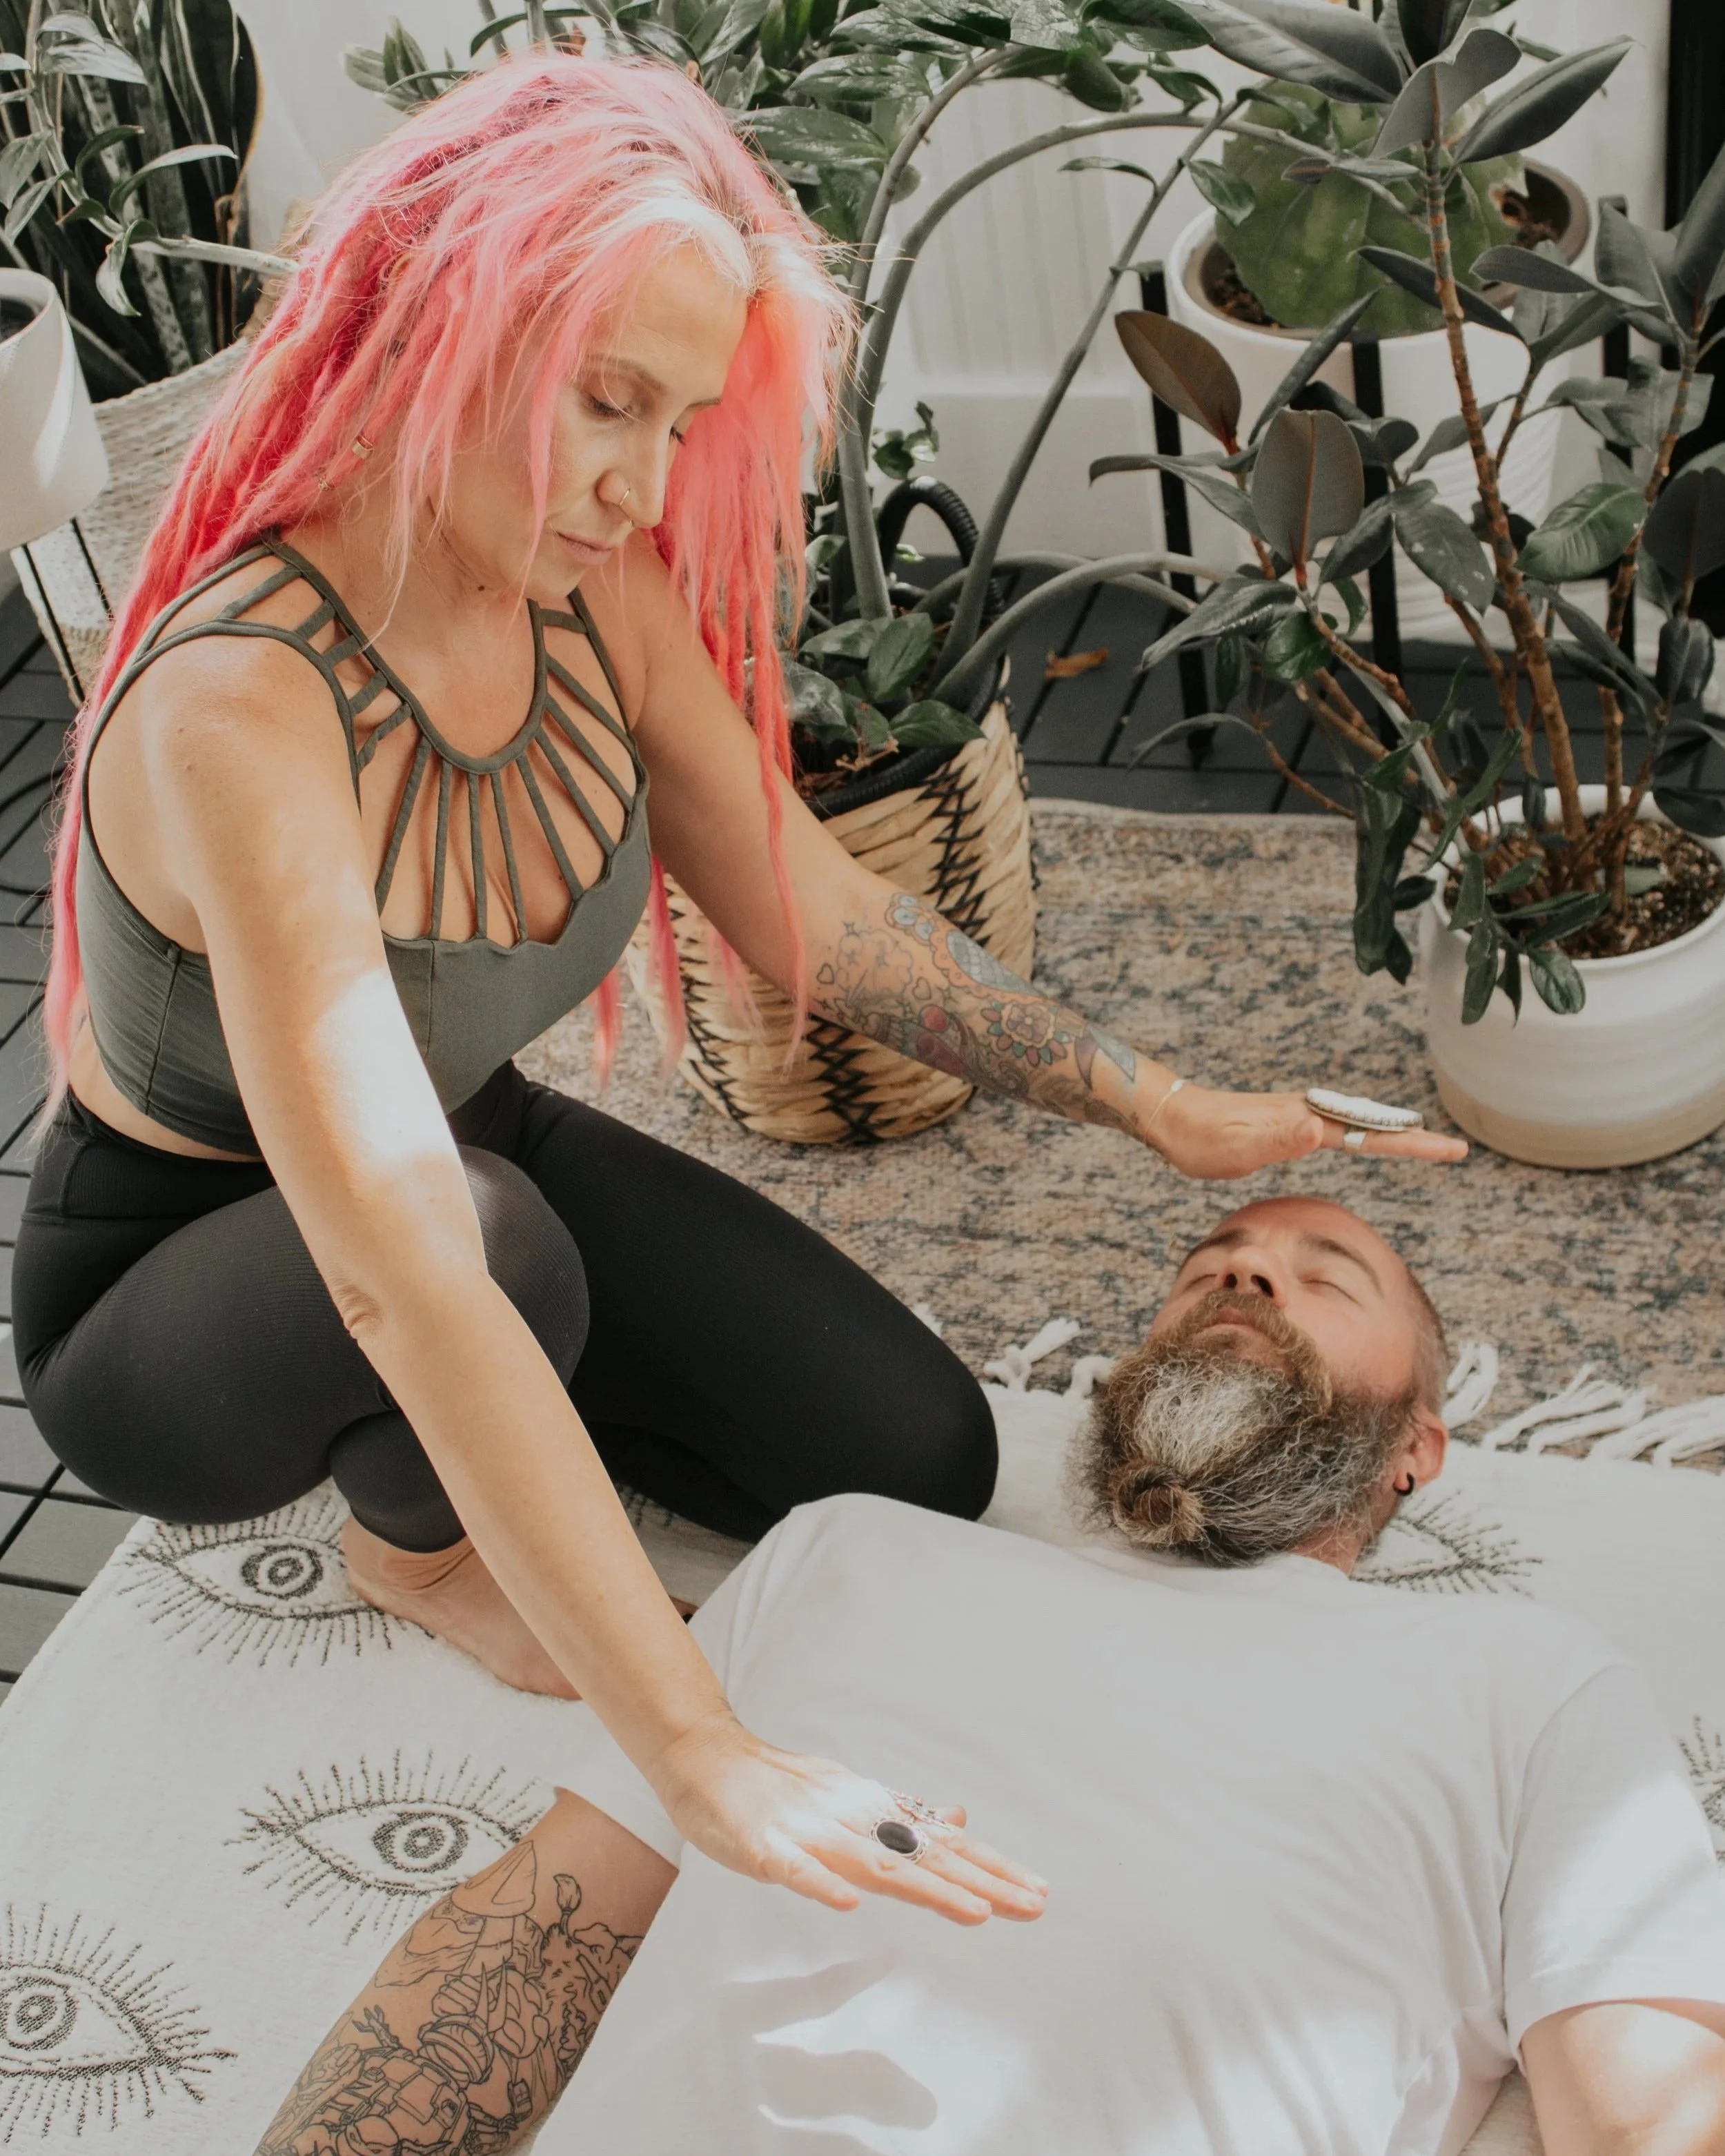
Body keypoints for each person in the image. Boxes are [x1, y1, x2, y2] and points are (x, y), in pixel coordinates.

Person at [12, 53, 1463, 1937]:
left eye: (678, 419)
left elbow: (815, 913)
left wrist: (1149, 1100)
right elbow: (397, 1265)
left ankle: (524, 1421)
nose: (637, 479)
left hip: (467, 1161)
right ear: (440, 324)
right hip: (174, 1285)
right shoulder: (243, 710)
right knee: (493, 1258)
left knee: (908, 1458)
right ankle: (416, 1547)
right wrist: (703, 1751)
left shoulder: (581, 586)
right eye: (605, 400)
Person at [257, 1197, 1725, 2156]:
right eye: (1208, 1266)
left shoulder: (1527, 1683)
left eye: (1320, 1277)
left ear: (1417, 1443)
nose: (1244, 1274)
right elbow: (534, 1939)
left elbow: (1642, 2118)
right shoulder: (849, 1551)